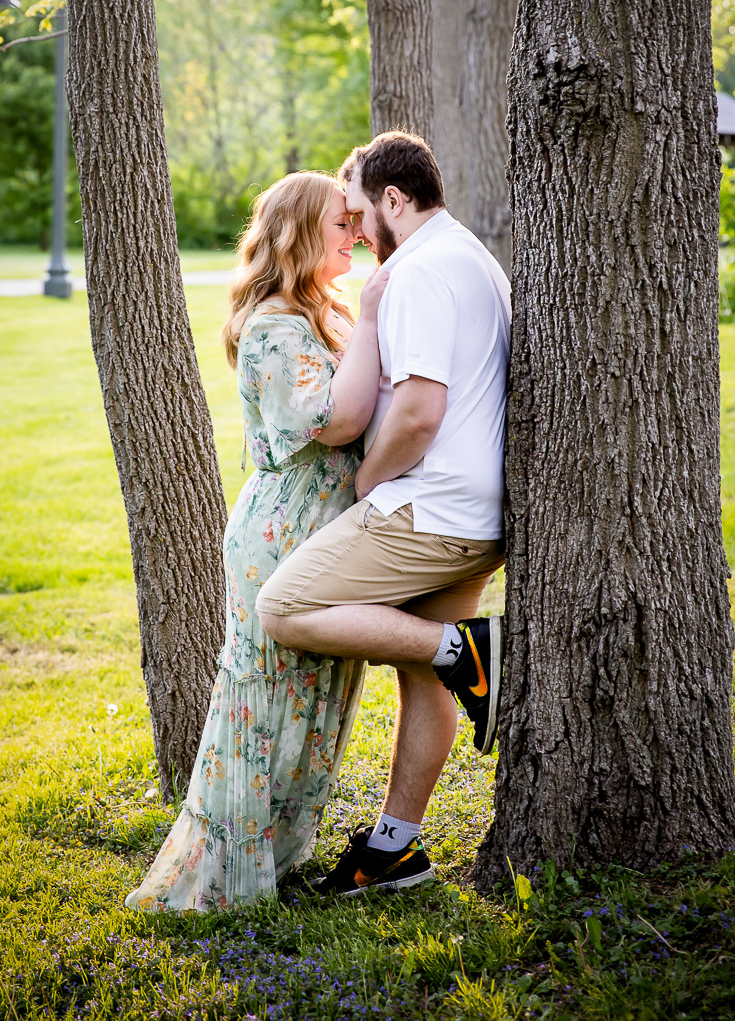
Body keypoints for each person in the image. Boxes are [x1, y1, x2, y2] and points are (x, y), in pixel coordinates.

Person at [257, 131, 511, 898]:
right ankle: (395, 848)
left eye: (363, 212)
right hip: (477, 515)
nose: (357, 230)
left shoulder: (422, 271)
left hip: (430, 509)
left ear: (396, 200)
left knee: (284, 606)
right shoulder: (470, 254)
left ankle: (475, 651)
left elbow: (419, 412)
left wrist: (369, 480)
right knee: (425, 672)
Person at [125, 171, 387, 912]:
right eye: (342, 223)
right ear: (301, 233)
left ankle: (275, 854)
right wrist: (370, 318)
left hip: (327, 529)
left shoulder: (319, 311)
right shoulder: (274, 322)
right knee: (262, 703)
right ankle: (228, 882)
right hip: (283, 532)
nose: (357, 234)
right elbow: (329, 422)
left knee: (315, 699)